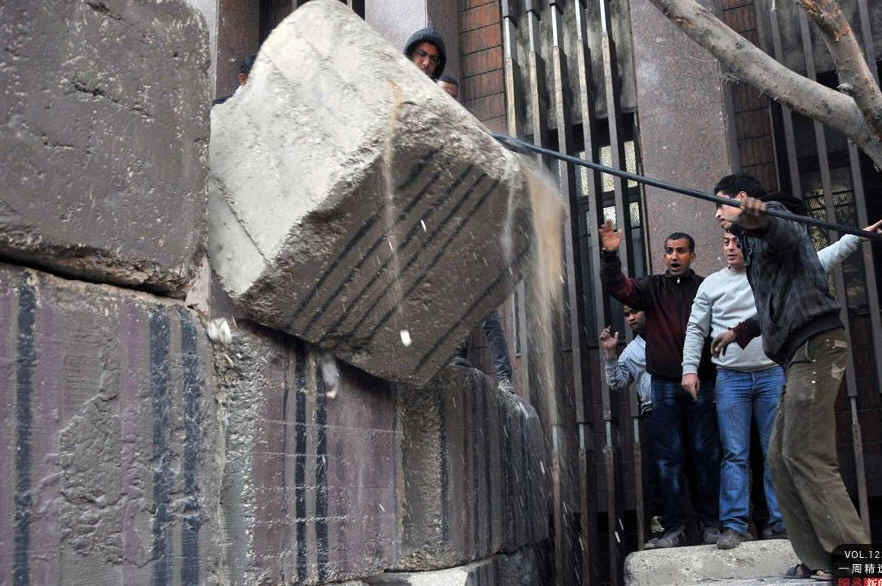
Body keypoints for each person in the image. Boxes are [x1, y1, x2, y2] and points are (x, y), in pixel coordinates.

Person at [711, 173, 875, 581]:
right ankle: (818, 560)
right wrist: (740, 331)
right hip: (796, 356)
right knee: (780, 459)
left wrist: (758, 217)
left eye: (721, 203)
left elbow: (781, 229)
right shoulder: (753, 247)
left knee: (806, 453)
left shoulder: (776, 218)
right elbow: (777, 300)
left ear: (743, 198)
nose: (716, 214)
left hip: (817, 346)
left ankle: (862, 569)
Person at [600, 222, 720, 548]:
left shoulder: (705, 287)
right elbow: (619, 287)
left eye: (680, 251)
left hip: (701, 383)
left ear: (692, 255)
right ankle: (673, 529)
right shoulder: (652, 287)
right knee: (668, 459)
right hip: (664, 386)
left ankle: (712, 525)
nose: (674, 256)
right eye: (669, 251)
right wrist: (610, 255)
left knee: (706, 456)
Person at [600, 306, 664, 540]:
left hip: (682, 407)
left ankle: (704, 523)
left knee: (691, 465)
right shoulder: (632, 351)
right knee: (655, 472)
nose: (631, 318)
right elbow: (616, 382)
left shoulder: (668, 335)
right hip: (652, 412)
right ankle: (661, 526)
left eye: (635, 312)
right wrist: (610, 354)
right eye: (626, 315)